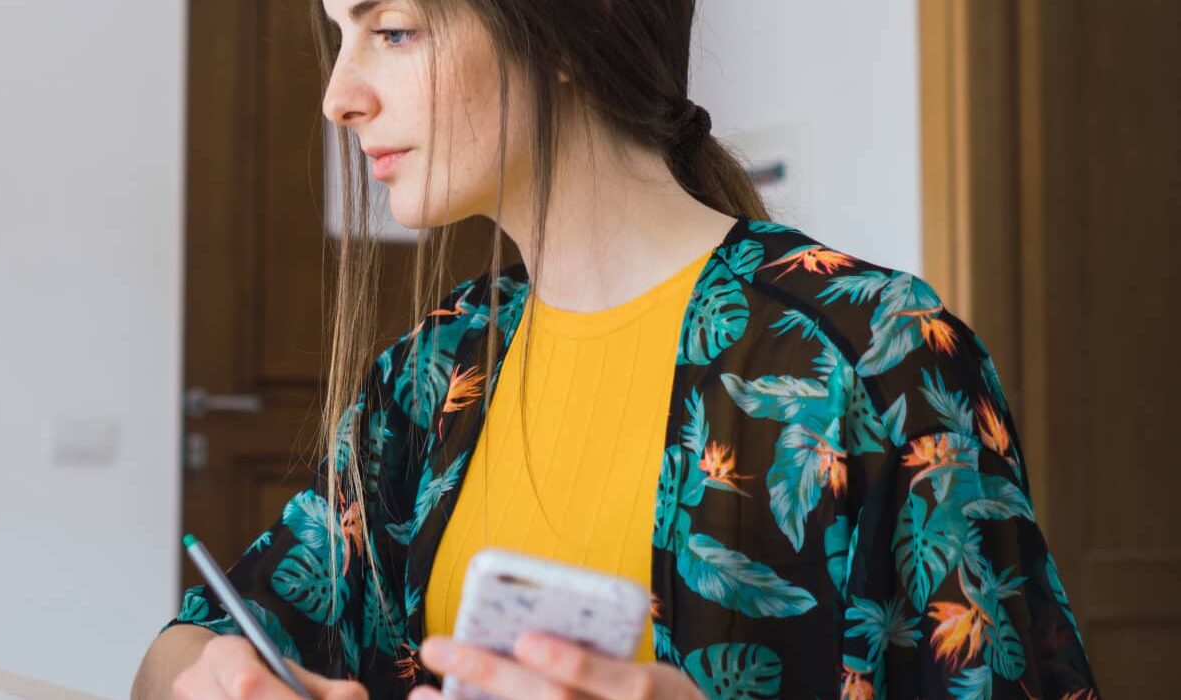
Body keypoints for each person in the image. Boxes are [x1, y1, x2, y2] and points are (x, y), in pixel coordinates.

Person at [134, 0, 1099, 697]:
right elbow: (185, 647)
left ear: (562, 29)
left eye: (392, 32)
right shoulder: (429, 380)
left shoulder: (875, 355)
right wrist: (212, 680)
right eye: (339, 37)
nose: (339, 96)